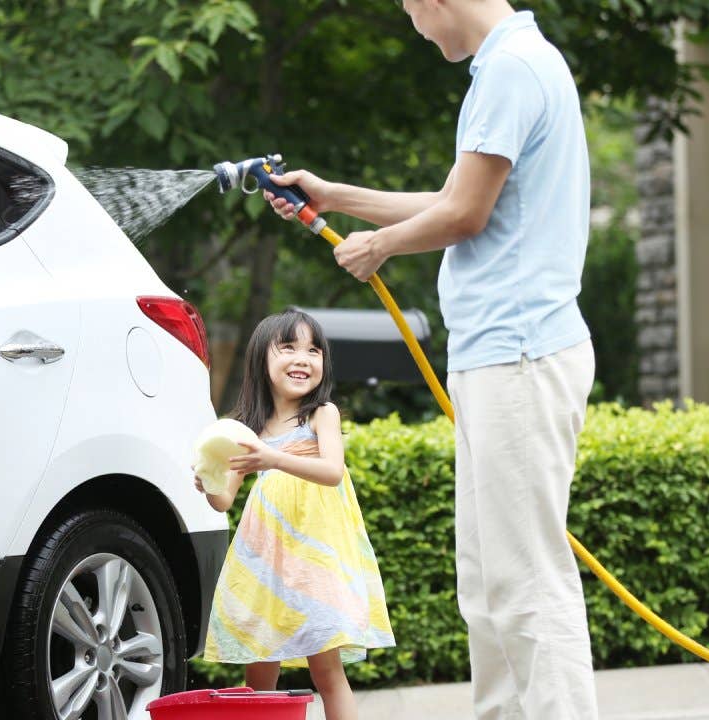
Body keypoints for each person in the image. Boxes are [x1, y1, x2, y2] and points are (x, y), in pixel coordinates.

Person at [264, 2, 598, 718]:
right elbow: (454, 197)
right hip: (503, 358)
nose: (416, 26)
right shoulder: (511, 64)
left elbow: (464, 216)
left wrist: (378, 246)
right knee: (487, 584)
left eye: (413, 9)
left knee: (528, 581)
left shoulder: (510, 69)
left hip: (519, 354)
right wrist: (336, 199)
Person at [196, 309, 394, 720]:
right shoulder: (244, 428)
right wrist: (209, 482)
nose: (303, 358)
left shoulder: (322, 414)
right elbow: (224, 501)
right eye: (288, 347)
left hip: (314, 562)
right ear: (261, 361)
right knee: (259, 667)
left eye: (314, 350)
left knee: (327, 668)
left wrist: (274, 458)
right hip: (265, 561)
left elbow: (332, 472)